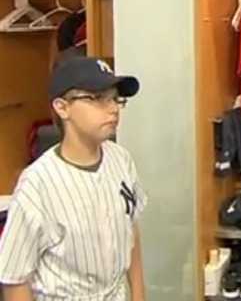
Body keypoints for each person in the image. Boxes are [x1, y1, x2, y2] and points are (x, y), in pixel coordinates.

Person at [0, 57, 147, 301]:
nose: (113, 108)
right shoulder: (37, 185)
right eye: (97, 98)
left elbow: (130, 229)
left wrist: (139, 296)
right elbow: (15, 279)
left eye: (115, 98)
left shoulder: (121, 160)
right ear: (62, 107)